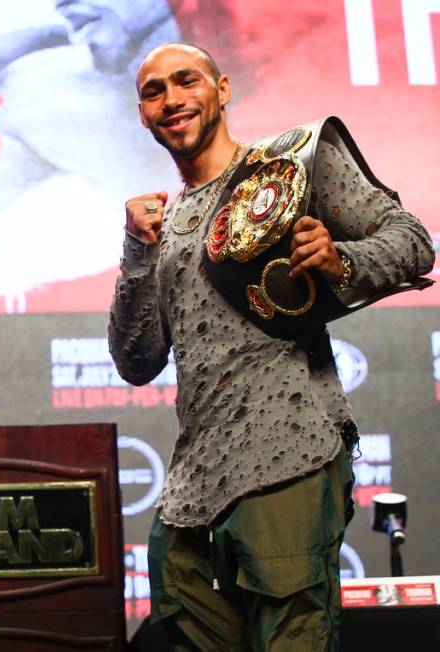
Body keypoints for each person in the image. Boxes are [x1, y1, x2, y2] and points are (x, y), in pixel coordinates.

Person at [108, 42, 434, 649]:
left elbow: (412, 241)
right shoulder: (164, 225)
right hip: (191, 490)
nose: (173, 100)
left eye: (187, 81)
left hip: (289, 457)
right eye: (155, 92)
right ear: (142, 114)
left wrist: (342, 260)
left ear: (223, 88)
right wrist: (135, 247)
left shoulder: (285, 169)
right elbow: (135, 359)